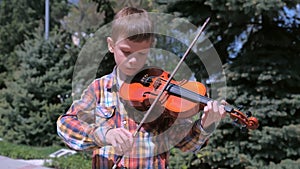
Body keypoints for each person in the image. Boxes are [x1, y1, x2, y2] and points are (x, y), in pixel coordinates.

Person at [57, 6, 226, 169]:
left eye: (141, 54)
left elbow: (184, 143)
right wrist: (103, 135)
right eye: (126, 52)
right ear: (111, 45)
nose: (133, 61)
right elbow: (65, 125)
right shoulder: (100, 88)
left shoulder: (163, 89)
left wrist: (205, 126)